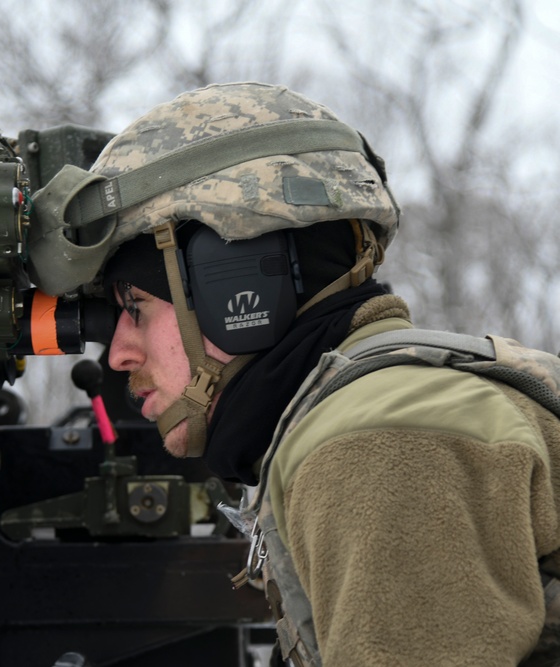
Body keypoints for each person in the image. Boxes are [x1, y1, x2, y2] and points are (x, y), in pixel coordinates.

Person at [27, 82, 560, 666]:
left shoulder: (380, 439)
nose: (118, 355)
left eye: (135, 308)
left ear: (236, 287)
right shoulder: (384, 407)